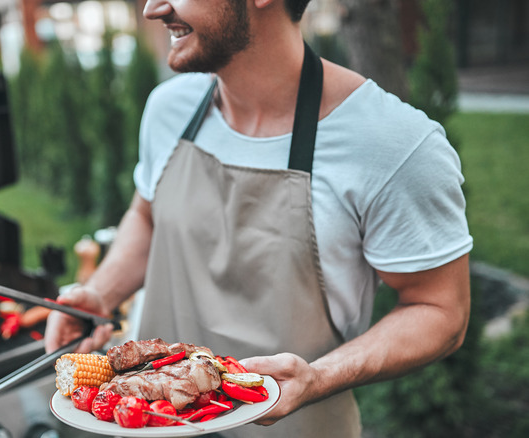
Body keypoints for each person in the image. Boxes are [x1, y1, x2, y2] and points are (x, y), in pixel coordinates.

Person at [45, 0, 473, 436]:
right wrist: (102, 292)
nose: (153, 8)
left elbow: (440, 309)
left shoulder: (392, 144)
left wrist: (319, 377)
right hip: (150, 423)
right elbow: (148, 215)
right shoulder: (167, 108)